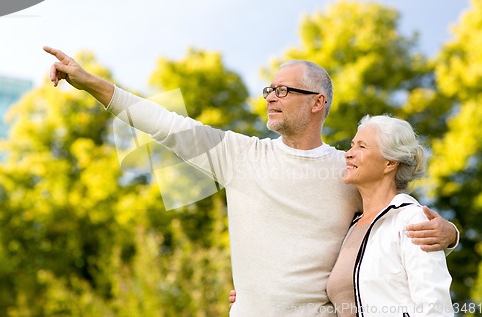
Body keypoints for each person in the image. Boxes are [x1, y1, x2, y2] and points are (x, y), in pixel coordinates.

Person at [43, 46, 458, 317]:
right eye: (268, 89)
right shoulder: (239, 155)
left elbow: (393, 220)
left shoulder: (347, 169)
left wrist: (450, 232)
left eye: (283, 89)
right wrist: (93, 84)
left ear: (318, 103)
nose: (271, 96)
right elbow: (165, 124)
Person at [326, 115, 453, 316]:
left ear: (390, 163)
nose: (348, 154)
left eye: (362, 147)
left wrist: (453, 234)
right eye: (351, 145)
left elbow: (435, 307)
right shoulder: (351, 227)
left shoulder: (411, 220)